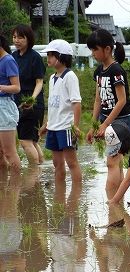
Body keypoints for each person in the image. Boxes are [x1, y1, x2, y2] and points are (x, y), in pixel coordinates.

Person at [85, 29, 130, 199]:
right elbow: (98, 100)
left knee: (112, 162)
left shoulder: (116, 70)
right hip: (107, 121)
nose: (92, 53)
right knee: (116, 162)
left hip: (121, 122)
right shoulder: (98, 72)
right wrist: (94, 126)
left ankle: (111, 203)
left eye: (95, 49)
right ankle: (117, 202)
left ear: (107, 49)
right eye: (91, 50)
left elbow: (122, 100)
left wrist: (105, 124)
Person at [39, 39, 82, 185]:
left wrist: (75, 126)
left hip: (66, 127)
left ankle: (76, 194)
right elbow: (53, 105)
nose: (48, 58)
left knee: (71, 162)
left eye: (51, 55)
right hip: (53, 127)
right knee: (57, 163)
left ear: (61, 57)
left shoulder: (70, 76)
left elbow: (76, 103)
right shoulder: (52, 78)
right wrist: (47, 124)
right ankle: (59, 195)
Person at [12, 24, 46, 164]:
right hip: (17, 103)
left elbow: (39, 82)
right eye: (14, 37)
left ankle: (34, 173)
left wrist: (32, 99)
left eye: (20, 37)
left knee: (25, 141)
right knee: (31, 140)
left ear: (28, 39)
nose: (16, 40)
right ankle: (40, 171)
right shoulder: (13, 56)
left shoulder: (35, 57)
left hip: (32, 104)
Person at [0, 34, 22, 172]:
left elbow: (16, 87)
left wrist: (0, 87)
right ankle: (4, 190)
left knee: (9, 152)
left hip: (4, 107)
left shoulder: (8, 60)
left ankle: (15, 189)